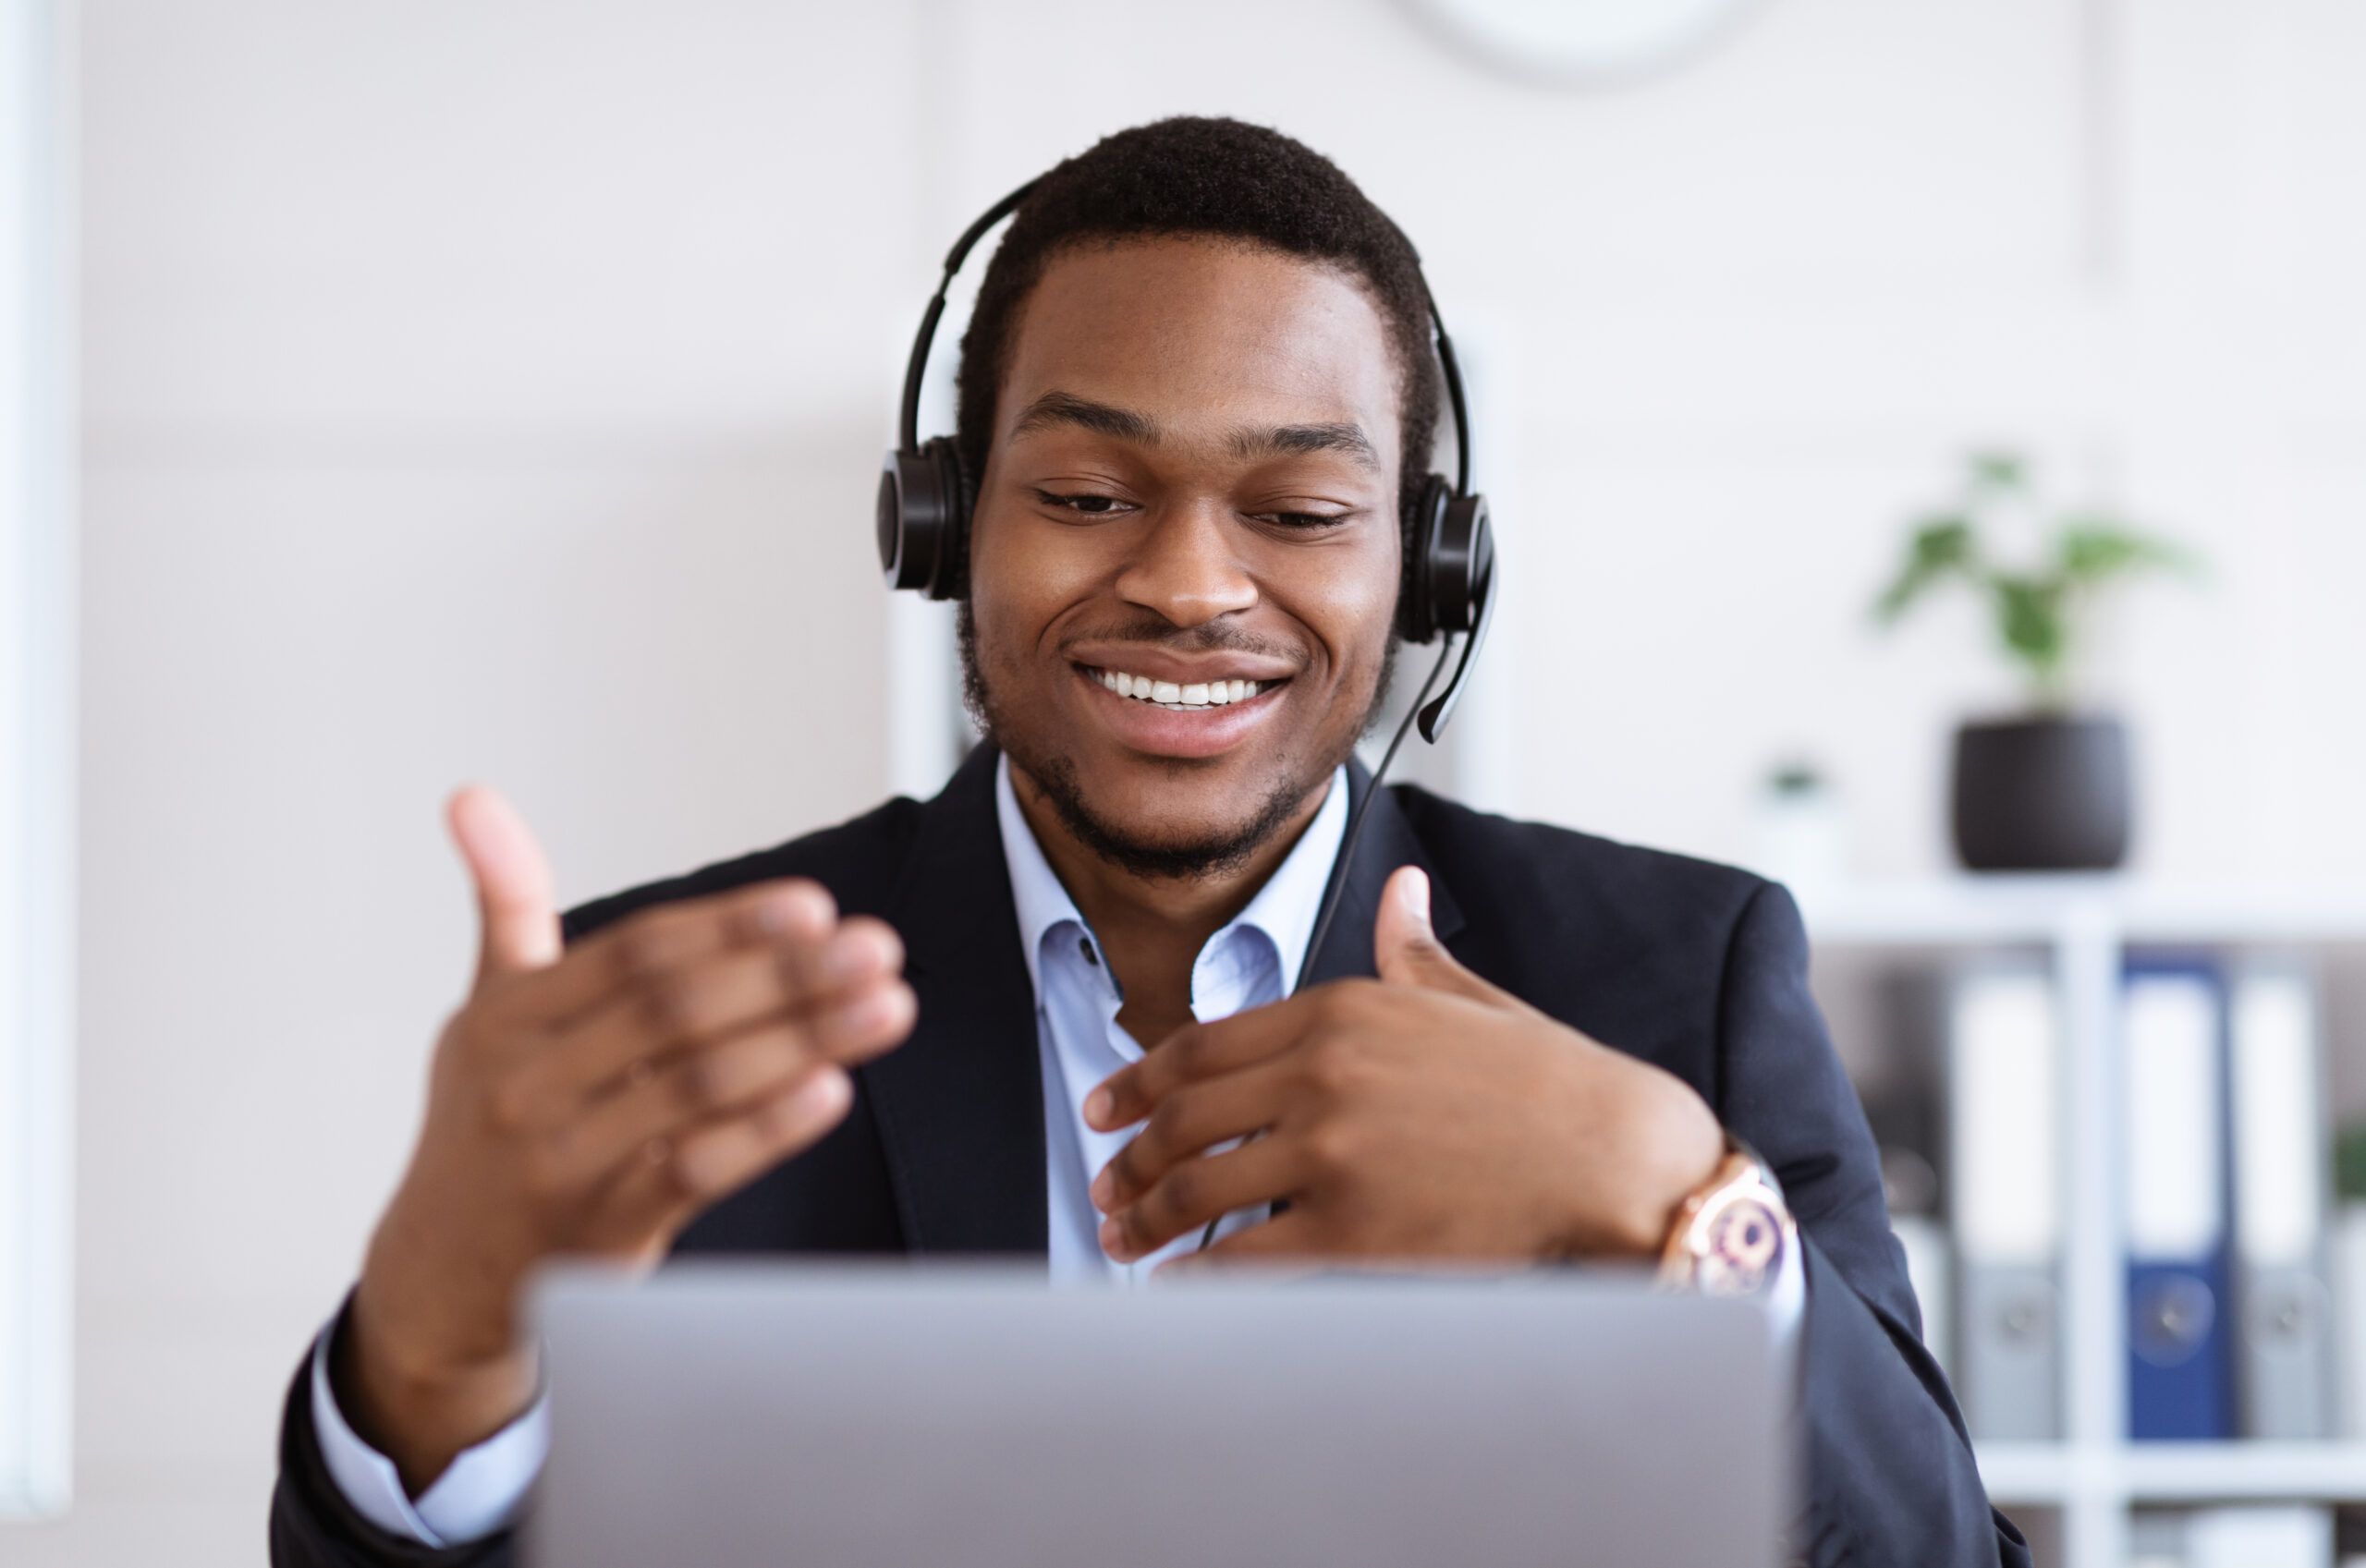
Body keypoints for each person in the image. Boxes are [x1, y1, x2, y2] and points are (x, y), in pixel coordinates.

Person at [267, 117, 2027, 1568]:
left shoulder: (1672, 987)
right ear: (946, 527)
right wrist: (431, 1348)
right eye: (1091, 496)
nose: (1190, 585)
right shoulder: (675, 1019)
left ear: (1424, 568)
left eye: (1301, 510)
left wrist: (1678, 1205)